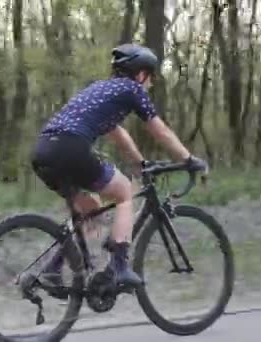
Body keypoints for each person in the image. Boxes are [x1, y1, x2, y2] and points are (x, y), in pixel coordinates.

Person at [27, 43, 208, 290]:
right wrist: (188, 159)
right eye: (150, 78)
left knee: (90, 209)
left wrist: (140, 163)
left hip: (43, 151)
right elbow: (160, 131)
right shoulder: (132, 89)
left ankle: (53, 269)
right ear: (141, 74)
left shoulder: (100, 90)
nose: (150, 84)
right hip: (71, 148)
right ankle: (121, 266)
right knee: (124, 192)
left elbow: (117, 133)